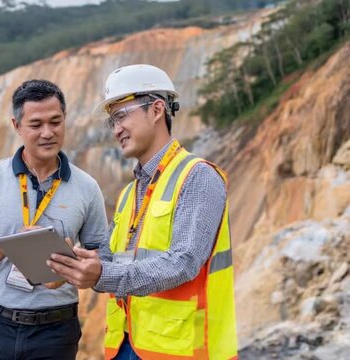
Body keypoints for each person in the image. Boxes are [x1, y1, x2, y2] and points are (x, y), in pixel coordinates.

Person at [47, 64, 238, 360]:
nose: (116, 129)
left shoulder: (197, 177)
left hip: (181, 349)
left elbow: (184, 262)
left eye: (122, 115)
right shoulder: (129, 194)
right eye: (112, 121)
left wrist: (102, 273)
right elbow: (111, 258)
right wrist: (72, 263)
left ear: (157, 109)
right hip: (128, 344)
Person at [0, 79, 108, 360]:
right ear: (16, 126)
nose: (47, 133)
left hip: (56, 333)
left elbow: (103, 257)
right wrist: (12, 245)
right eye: (36, 125)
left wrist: (74, 266)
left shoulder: (87, 187)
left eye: (55, 122)